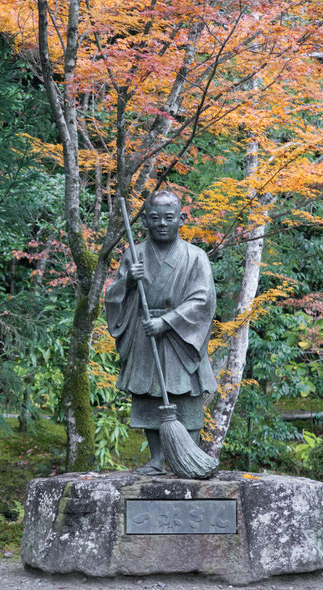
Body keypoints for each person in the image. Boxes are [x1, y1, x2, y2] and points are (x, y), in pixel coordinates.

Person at [105, 190, 217, 475]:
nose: (162, 224)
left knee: (184, 396)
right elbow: (113, 297)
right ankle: (156, 460)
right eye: (155, 218)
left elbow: (202, 301)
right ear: (145, 221)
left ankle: (187, 457)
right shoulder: (135, 254)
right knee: (149, 396)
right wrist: (129, 281)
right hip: (145, 334)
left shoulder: (196, 257)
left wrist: (167, 321)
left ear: (181, 218)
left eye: (169, 218)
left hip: (180, 336)